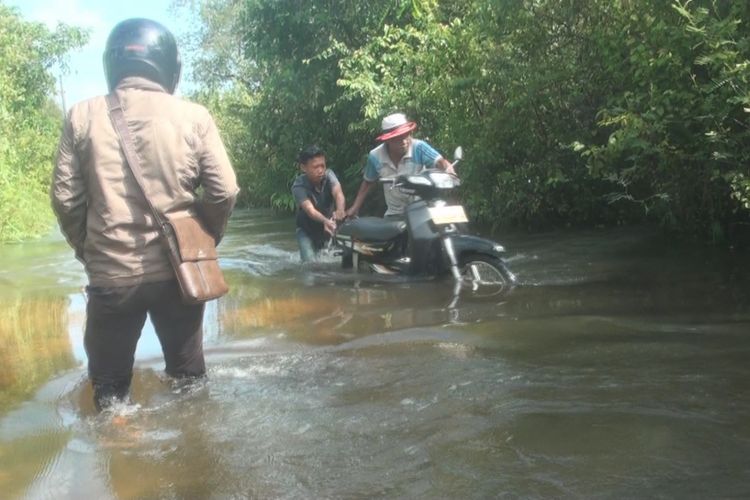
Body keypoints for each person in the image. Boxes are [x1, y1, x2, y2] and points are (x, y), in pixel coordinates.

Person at [50, 18, 239, 411]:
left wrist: (90, 250)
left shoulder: (81, 116)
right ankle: (193, 452)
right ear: (169, 65)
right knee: (189, 382)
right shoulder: (194, 116)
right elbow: (224, 191)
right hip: (180, 275)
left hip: (111, 275)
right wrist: (202, 241)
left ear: (112, 63)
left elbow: (66, 199)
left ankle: (122, 445)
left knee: (110, 392)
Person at [345, 112, 455, 218]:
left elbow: (440, 161)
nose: (404, 141)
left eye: (406, 135)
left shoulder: (419, 147)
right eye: (398, 138)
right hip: (395, 214)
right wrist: (355, 207)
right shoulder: (375, 156)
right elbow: (368, 182)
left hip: (421, 209)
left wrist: (448, 170)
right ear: (388, 140)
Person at [291, 145, 346, 261]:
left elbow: (338, 193)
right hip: (306, 231)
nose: (320, 170)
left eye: (323, 166)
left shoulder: (329, 175)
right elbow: (310, 210)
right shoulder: (298, 185)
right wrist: (325, 221)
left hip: (328, 227)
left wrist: (340, 210)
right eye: (315, 167)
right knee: (310, 265)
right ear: (303, 167)